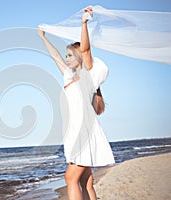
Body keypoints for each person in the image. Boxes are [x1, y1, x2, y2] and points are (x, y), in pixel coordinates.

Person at [38, 7, 115, 200]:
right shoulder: (69, 76)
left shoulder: (89, 75)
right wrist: (43, 37)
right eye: (67, 56)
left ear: (79, 57)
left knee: (70, 177)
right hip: (74, 132)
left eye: (71, 55)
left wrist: (83, 24)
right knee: (84, 181)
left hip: (84, 132)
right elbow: (55, 55)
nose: (67, 58)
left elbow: (87, 49)